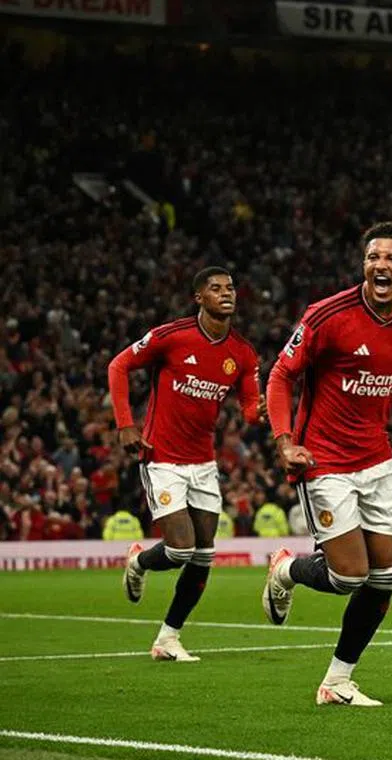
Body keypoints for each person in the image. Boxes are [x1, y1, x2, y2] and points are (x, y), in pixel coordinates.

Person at [262, 221, 392, 707]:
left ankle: (337, 681)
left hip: (377, 460)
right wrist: (284, 442)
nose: (380, 265)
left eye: (391, 258)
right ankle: (287, 570)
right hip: (322, 460)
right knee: (348, 577)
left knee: (386, 577)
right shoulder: (327, 315)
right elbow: (281, 376)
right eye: (372, 257)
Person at [109, 266, 262, 662]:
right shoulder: (172, 336)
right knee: (180, 549)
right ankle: (140, 561)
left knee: (203, 553)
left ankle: (168, 638)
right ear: (199, 298)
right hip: (162, 458)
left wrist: (256, 410)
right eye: (216, 289)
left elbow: (248, 409)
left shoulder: (242, 353)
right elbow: (118, 366)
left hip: (203, 462)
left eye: (230, 288)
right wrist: (126, 424)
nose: (226, 294)